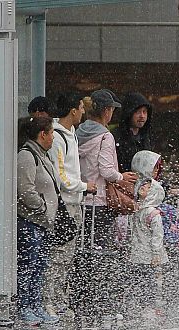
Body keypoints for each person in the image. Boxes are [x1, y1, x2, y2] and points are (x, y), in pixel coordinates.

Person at [43, 93, 96, 318]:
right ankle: (47, 301)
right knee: (58, 256)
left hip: (75, 203)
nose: (83, 111)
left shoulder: (72, 133)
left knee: (67, 257)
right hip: (63, 205)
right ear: (73, 110)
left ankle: (59, 300)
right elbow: (61, 176)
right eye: (81, 107)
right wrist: (84, 186)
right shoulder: (57, 137)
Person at [77, 89, 137, 249]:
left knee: (82, 247)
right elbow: (106, 171)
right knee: (99, 249)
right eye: (112, 110)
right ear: (106, 111)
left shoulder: (77, 133)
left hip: (79, 198)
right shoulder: (105, 136)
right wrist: (121, 177)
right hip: (98, 200)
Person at [16, 117, 60, 326]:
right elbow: (25, 190)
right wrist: (43, 208)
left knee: (39, 266)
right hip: (31, 221)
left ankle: (35, 304)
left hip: (43, 223)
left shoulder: (43, 155)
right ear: (43, 134)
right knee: (28, 264)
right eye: (51, 133)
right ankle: (23, 306)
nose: (53, 138)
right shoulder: (27, 155)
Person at [128, 150, 169, 323]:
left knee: (149, 281)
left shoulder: (152, 213)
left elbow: (157, 236)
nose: (144, 187)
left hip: (148, 255)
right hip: (138, 253)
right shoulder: (137, 209)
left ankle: (150, 306)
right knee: (140, 279)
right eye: (143, 186)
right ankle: (141, 306)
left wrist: (156, 254)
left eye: (148, 187)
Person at [113, 92, 153, 173]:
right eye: (138, 112)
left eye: (144, 112)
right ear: (129, 113)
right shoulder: (116, 137)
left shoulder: (146, 136)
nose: (142, 116)